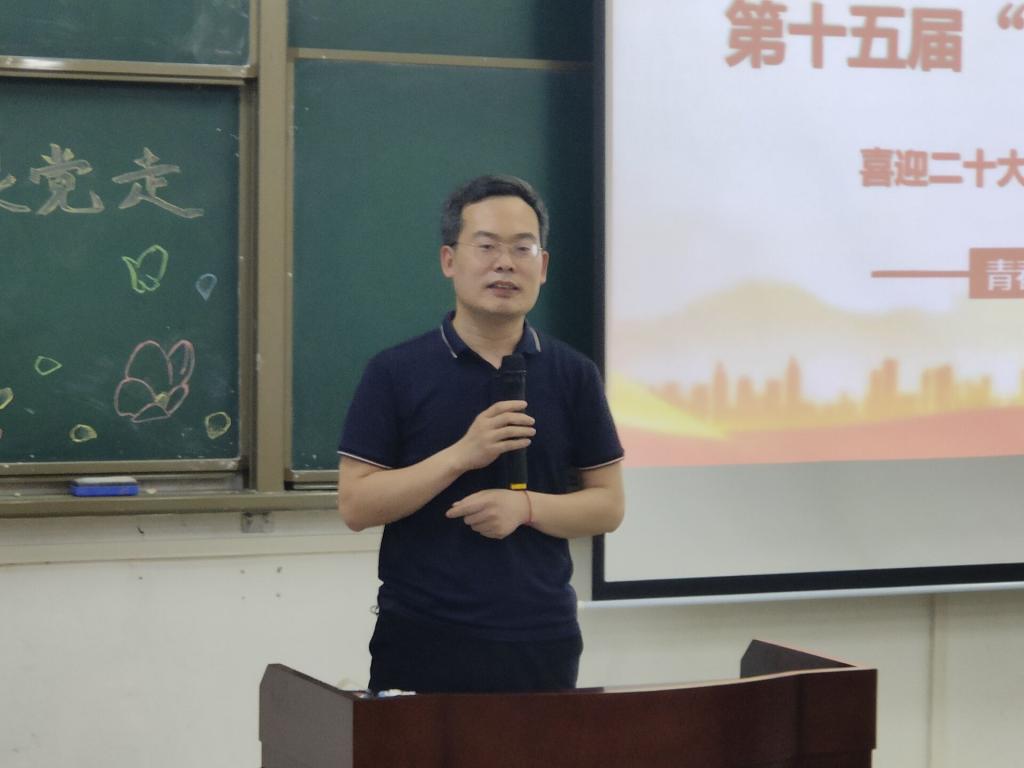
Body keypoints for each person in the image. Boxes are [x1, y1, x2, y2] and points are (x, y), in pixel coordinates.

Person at [337, 174, 624, 694]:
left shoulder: (574, 374)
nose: (505, 264)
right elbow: (356, 506)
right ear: (449, 260)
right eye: (487, 246)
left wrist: (526, 507)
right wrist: (462, 455)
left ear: (543, 266)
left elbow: (608, 505)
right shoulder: (394, 372)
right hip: (422, 637)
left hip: (541, 638)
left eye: (522, 248)